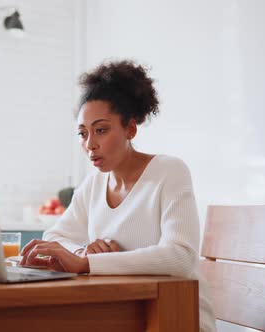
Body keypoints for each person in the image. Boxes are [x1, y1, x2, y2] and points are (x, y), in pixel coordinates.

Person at [19, 60, 216, 331]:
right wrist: (82, 252)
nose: (90, 144)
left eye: (101, 130)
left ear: (130, 129)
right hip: (123, 317)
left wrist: (88, 263)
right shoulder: (93, 185)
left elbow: (181, 257)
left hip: (175, 318)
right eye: (82, 133)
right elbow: (55, 236)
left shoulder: (169, 171)